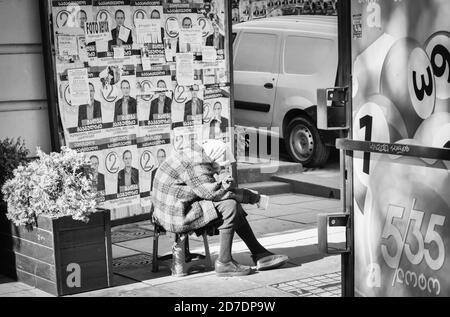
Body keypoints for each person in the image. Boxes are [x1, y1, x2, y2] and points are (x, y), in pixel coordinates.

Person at [152, 139, 289, 276]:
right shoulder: (196, 163)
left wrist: (222, 182)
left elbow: (206, 187)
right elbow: (213, 193)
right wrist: (253, 198)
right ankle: (225, 262)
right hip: (175, 214)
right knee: (230, 206)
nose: (218, 169)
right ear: (215, 156)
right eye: (219, 165)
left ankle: (259, 253)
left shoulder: (194, 153)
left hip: (172, 207)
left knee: (231, 203)